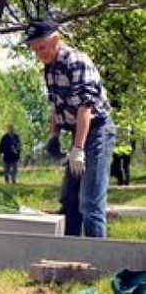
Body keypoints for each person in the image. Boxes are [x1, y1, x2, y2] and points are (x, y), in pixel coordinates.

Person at [23, 19, 114, 238]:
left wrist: (78, 149)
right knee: (69, 200)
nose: (39, 53)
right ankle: (70, 253)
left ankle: (96, 260)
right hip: (77, 131)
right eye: (35, 49)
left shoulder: (77, 62)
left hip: (97, 130)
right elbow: (56, 105)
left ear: (56, 39)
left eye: (42, 47)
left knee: (90, 201)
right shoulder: (49, 68)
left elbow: (86, 108)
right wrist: (54, 135)